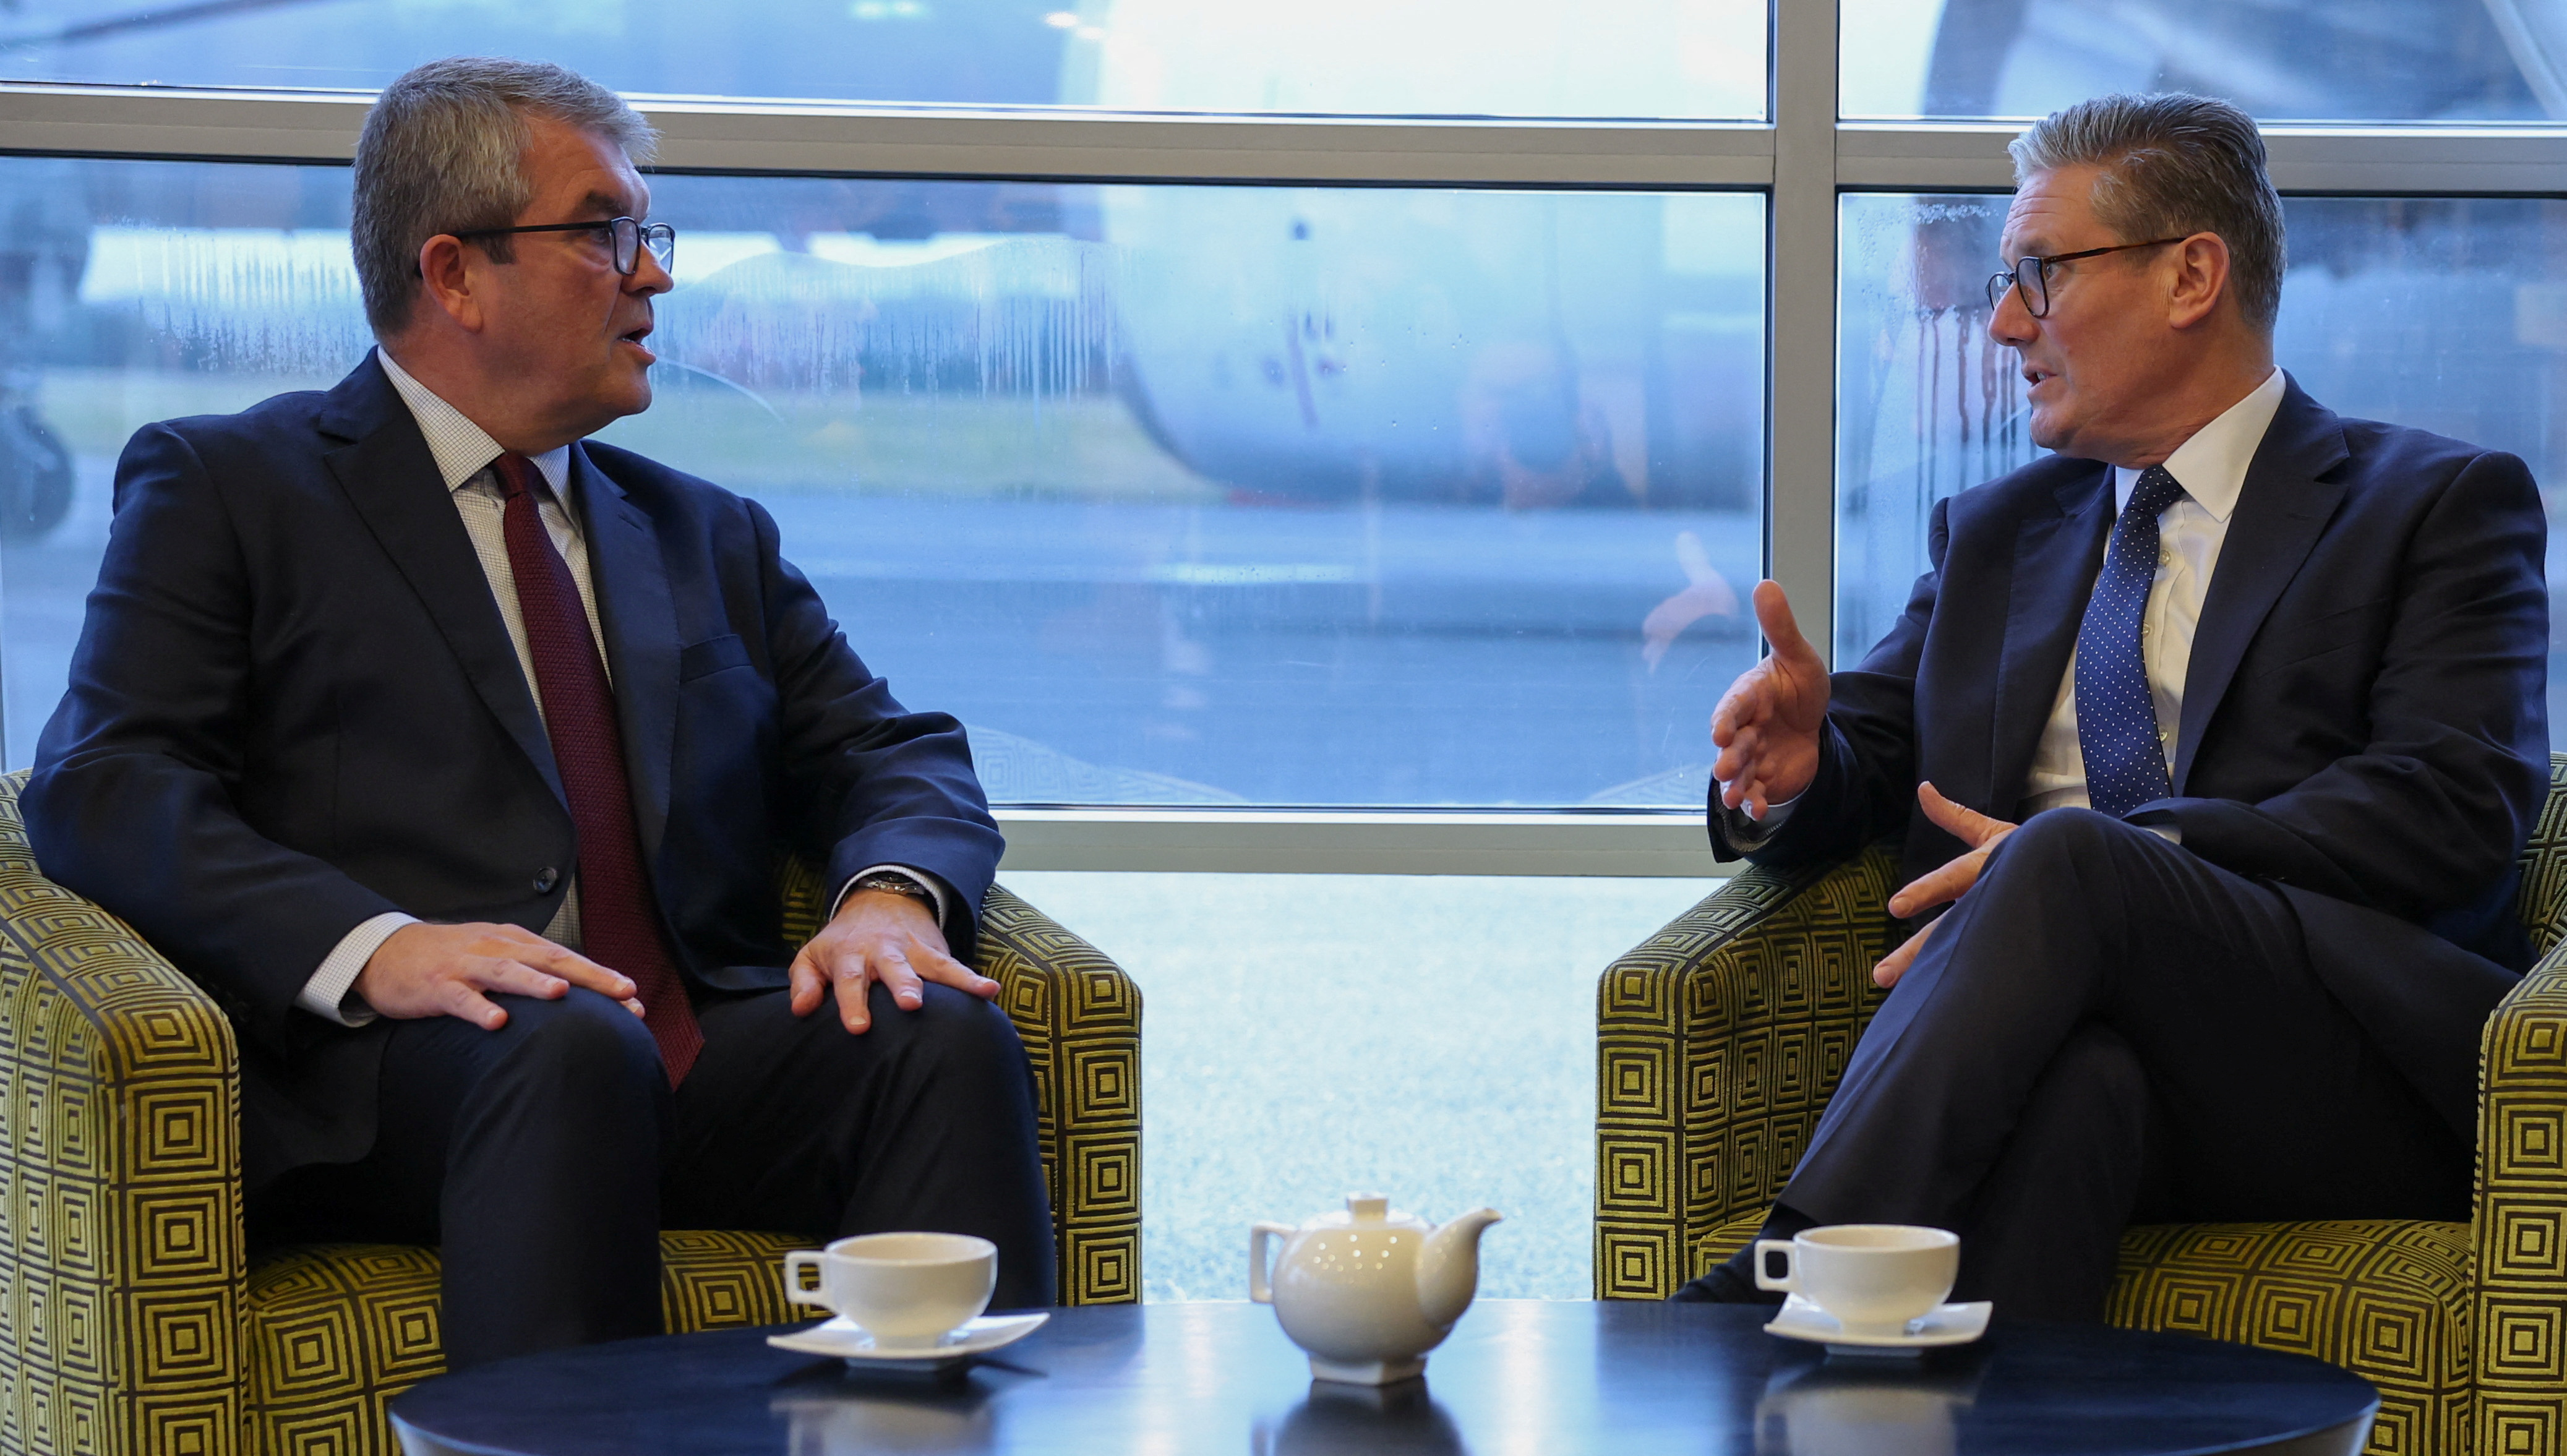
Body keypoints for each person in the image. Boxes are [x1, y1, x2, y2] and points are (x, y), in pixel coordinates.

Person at [23, 57, 1055, 1368]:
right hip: (410, 1074)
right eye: (604, 233)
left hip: (678, 1048)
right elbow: (106, 781)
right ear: (453, 274)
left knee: (935, 1030)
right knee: (566, 1049)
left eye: (649, 233)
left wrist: (892, 897)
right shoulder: (230, 487)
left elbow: (888, 750)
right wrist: (374, 941)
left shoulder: (701, 530)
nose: (655, 275)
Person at [1679, 92, 2547, 1319]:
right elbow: (1866, 756)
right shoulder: (1995, 535)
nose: (1997, 323)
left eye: (2039, 275)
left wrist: (2136, 851)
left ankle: (1769, 1285)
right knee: (2085, 1088)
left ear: (2191, 274)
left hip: (2340, 1058)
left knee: (2075, 857)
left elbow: (2451, 805)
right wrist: (1792, 765)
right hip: (2079, 1050)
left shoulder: (2435, 504)